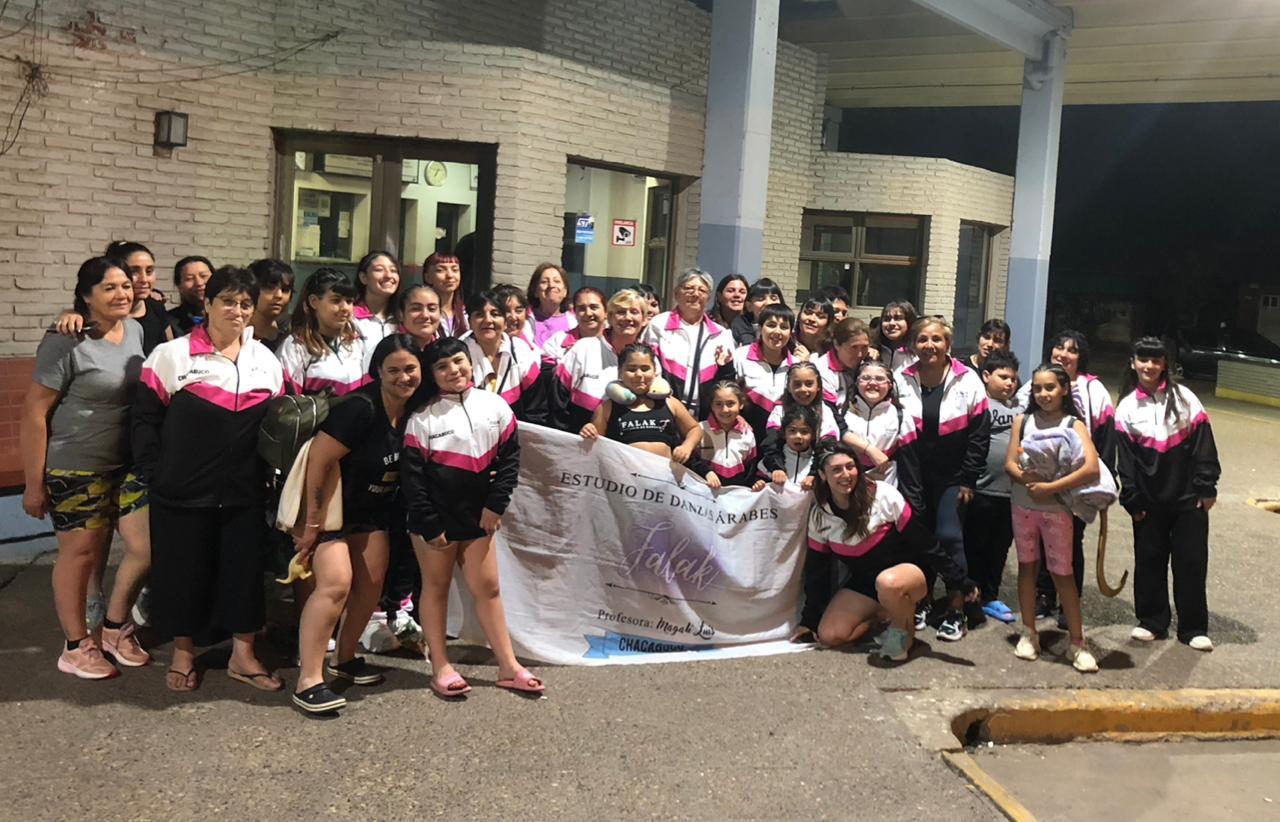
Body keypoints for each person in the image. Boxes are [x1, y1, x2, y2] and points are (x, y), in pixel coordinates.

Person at [134, 265, 285, 692]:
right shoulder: (172, 355)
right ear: (208, 303)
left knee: (243, 574)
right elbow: (144, 420)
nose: (238, 311)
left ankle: (243, 655)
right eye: (228, 302)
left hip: (245, 491)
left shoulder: (265, 360)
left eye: (245, 303)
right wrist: (156, 473)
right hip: (181, 491)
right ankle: (183, 653)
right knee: (183, 573)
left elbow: (276, 427)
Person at [22, 256, 151, 679]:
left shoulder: (134, 330)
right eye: (109, 288)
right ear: (86, 296)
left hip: (125, 463)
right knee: (79, 555)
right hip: (76, 466)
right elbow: (34, 414)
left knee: (146, 546)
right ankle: (76, 645)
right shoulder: (65, 340)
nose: (122, 293)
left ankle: (113, 627)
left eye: (125, 285)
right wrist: (33, 484)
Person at [401, 337, 545, 696]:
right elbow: (412, 480)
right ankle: (441, 666)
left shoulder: (495, 406)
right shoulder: (422, 418)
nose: (454, 370)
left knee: (489, 588)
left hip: (479, 518)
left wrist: (495, 506)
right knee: (436, 589)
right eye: (442, 366)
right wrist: (429, 523)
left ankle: (508, 666)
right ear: (431, 374)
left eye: (459, 361)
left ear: (471, 362)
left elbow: (510, 460)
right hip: (435, 522)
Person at [290, 335, 424, 714]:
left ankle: (344, 659)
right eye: (393, 370)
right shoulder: (359, 408)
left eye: (410, 369)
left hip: (371, 510)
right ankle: (308, 681)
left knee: (371, 584)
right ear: (377, 371)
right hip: (330, 510)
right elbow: (318, 461)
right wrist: (312, 522)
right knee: (335, 585)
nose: (403, 377)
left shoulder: (413, 409)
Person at [796, 443, 974, 661]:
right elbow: (817, 571)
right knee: (830, 635)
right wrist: (809, 621)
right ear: (823, 475)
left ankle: (902, 629)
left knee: (888, 583)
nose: (846, 475)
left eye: (850, 466)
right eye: (836, 469)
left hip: (907, 576)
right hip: (867, 583)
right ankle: (884, 616)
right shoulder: (820, 515)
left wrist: (959, 580)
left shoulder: (883, 495)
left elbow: (925, 542)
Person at [1114, 336, 1220, 651]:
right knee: (1149, 560)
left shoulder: (1185, 399)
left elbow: (1204, 444)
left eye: (1155, 360)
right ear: (1133, 363)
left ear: (1164, 364)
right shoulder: (1127, 407)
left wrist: (1206, 486)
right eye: (1143, 359)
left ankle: (1193, 628)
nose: (1149, 365)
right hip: (1148, 502)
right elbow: (1126, 462)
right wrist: (1131, 498)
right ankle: (1152, 621)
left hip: (1188, 499)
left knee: (1191, 562)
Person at [895, 317, 990, 642]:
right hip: (913, 476)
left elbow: (979, 435)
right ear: (914, 345)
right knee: (918, 538)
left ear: (948, 344)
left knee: (949, 536)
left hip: (953, 477)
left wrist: (968, 479)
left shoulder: (968, 379)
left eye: (936, 339)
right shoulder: (901, 378)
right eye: (922, 339)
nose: (929, 345)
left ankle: (956, 610)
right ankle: (921, 602)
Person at [1005, 362, 1101, 673]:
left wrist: (1050, 488)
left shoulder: (1074, 424)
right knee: (1027, 568)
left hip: (1057, 509)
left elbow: (1091, 468)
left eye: (1050, 387)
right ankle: (1029, 632)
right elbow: (1010, 463)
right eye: (1037, 388)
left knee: (1063, 574)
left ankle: (1077, 643)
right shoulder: (1022, 421)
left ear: (1063, 389)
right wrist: (1027, 479)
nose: (1043, 394)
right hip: (1023, 505)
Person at [1014, 329, 1115, 624]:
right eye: (1059, 347)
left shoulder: (1094, 390)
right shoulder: (1032, 387)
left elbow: (1106, 439)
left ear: (1081, 357)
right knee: (1041, 542)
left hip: (1076, 483)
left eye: (1072, 350)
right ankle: (1044, 595)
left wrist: (1101, 483)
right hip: (1038, 481)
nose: (1064, 354)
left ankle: (1069, 606)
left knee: (1071, 542)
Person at [962, 350, 1020, 625]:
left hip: (1011, 493)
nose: (1009, 383)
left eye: (1013, 378)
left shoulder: (1019, 409)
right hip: (981, 490)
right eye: (1003, 376)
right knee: (975, 546)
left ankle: (990, 596)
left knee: (999, 548)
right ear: (986, 376)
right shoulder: (978, 404)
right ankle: (970, 596)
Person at [580, 343, 702, 464]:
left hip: (664, 475)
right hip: (625, 474)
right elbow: (593, 445)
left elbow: (694, 429)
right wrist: (588, 432)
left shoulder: (670, 402)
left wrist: (687, 446)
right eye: (631, 369)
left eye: (645, 369)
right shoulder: (607, 408)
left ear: (654, 371)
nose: (639, 374)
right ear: (620, 372)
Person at [53, 242, 174, 355]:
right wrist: (69, 314)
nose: (144, 279)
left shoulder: (155, 308)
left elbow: (171, 350)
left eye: (149, 271)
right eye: (134, 271)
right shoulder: (87, 319)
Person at [646, 268, 735, 419]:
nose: (695, 294)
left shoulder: (721, 334)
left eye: (702, 290)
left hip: (705, 416)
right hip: (663, 409)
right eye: (688, 288)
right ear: (676, 293)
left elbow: (727, 380)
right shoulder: (658, 325)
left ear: (708, 298)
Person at [553, 288, 645, 433]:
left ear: (644, 319)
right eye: (621, 312)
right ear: (609, 317)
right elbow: (558, 400)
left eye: (634, 312)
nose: (628, 318)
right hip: (581, 440)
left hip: (629, 442)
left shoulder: (649, 358)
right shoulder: (583, 349)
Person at [277, 268, 371, 396]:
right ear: (314, 302)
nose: (345, 308)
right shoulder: (296, 346)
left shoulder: (355, 340)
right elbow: (288, 402)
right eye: (336, 301)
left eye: (349, 301)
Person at [463, 290, 547, 424]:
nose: (488, 320)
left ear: (505, 321)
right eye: (479, 314)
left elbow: (536, 410)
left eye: (495, 314)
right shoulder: (459, 354)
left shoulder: (521, 351)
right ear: (470, 321)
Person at [733, 304, 802, 444]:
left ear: (791, 333)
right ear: (760, 328)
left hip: (780, 440)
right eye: (771, 325)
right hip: (743, 437)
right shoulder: (740, 356)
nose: (777, 332)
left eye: (784, 327)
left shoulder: (797, 366)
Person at [839, 360, 912, 489]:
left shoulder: (901, 416)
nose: (872, 383)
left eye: (879, 379)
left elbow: (910, 462)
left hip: (886, 484)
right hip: (847, 483)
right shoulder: (843, 412)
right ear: (857, 382)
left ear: (890, 385)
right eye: (866, 378)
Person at [690, 381, 764, 491]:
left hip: (734, 495)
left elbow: (750, 470)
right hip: (703, 493)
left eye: (730, 403)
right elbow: (689, 460)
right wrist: (706, 472)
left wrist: (755, 483)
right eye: (718, 404)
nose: (725, 410)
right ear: (711, 405)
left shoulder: (747, 434)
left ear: (741, 404)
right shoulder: (700, 430)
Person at [762, 361, 840, 447]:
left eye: (809, 384)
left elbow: (829, 448)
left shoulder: (825, 412)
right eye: (797, 384)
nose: (803, 389)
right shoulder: (779, 412)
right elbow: (771, 445)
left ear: (818, 386)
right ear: (788, 387)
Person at [816, 317, 872, 409]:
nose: (860, 354)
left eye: (864, 347)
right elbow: (831, 410)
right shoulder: (821, 370)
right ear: (836, 344)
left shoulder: (868, 364)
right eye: (854, 347)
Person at [541, 286, 605, 365]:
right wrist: (568, 360)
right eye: (581, 309)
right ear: (575, 313)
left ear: (606, 312)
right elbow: (545, 371)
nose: (588, 313)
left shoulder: (615, 342)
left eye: (594, 307)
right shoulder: (557, 341)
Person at [760, 405, 818, 490]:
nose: (798, 436)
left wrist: (815, 478)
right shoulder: (771, 460)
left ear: (813, 435)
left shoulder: (816, 462)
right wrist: (759, 484)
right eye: (792, 431)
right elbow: (760, 480)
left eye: (804, 432)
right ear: (784, 433)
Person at [353, 251, 402, 345]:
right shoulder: (350, 317)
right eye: (379, 270)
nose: (388, 275)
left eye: (393, 270)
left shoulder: (403, 317)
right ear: (363, 277)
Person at [247, 258, 294, 352]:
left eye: (285, 290)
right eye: (269, 288)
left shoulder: (290, 338)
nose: (279, 295)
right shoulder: (235, 335)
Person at [525, 262, 576, 348]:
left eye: (557, 281)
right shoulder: (525, 319)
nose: (551, 285)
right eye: (544, 282)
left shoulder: (575, 321)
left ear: (565, 291)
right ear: (535, 291)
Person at [422, 253, 466, 337]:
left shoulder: (466, 314)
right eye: (440, 270)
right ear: (427, 277)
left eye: (455, 270)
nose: (450, 275)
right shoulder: (423, 314)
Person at [168, 255, 213, 335]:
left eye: (203, 276)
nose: (199, 283)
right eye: (189, 278)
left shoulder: (229, 316)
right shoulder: (169, 322)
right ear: (179, 285)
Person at [731, 278, 785, 345]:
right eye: (760, 299)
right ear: (749, 306)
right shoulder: (740, 325)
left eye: (773, 298)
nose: (768, 303)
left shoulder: (790, 326)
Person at [876, 300, 918, 372]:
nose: (891, 323)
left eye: (898, 318)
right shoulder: (873, 352)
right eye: (887, 319)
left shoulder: (918, 354)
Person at [397, 283, 442, 350]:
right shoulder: (389, 350)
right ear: (400, 314)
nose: (425, 315)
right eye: (416, 309)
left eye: (432, 309)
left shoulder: (445, 350)